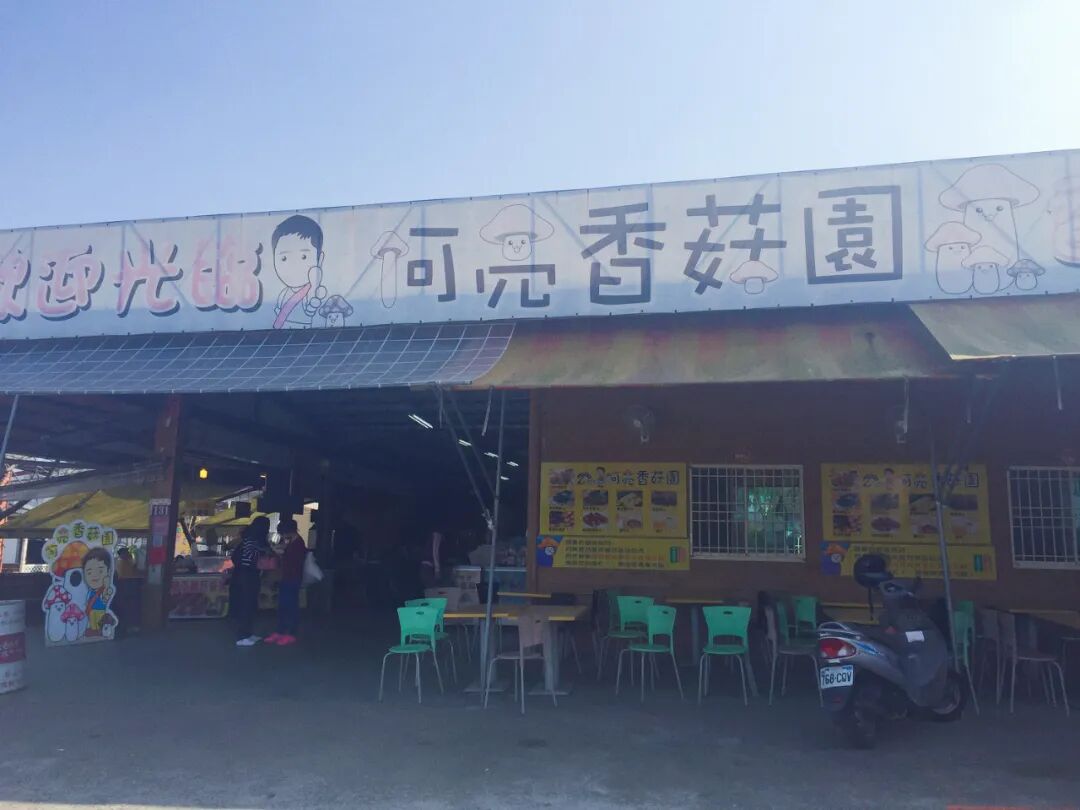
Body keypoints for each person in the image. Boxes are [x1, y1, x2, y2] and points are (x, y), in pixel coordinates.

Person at [266, 518, 306, 646]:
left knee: (290, 606)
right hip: (287, 577)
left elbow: (293, 561)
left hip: (292, 578)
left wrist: (280, 554)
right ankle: (281, 631)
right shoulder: (293, 542)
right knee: (284, 605)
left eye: (283, 532)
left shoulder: (298, 544)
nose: (282, 535)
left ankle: (290, 633)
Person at [234, 516, 271, 647]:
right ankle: (241, 636)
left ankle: (248, 633)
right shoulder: (251, 540)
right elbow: (249, 556)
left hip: (249, 574)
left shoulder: (251, 538)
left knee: (250, 604)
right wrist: (263, 552)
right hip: (247, 574)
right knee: (247, 604)